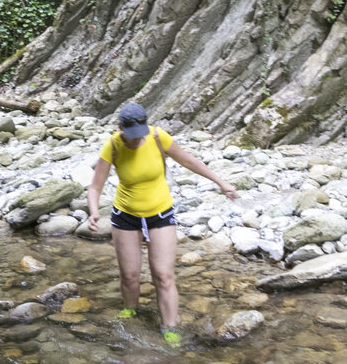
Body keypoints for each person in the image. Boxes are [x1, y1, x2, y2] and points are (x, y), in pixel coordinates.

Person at [87, 102, 237, 347]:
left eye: (140, 133)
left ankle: (169, 327)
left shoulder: (158, 137)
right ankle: (131, 310)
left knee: (163, 275)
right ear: (120, 128)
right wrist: (93, 212)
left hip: (160, 214)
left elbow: (189, 161)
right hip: (125, 215)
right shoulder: (113, 145)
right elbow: (95, 186)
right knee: (130, 275)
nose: (137, 140)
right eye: (132, 135)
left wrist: (221, 182)